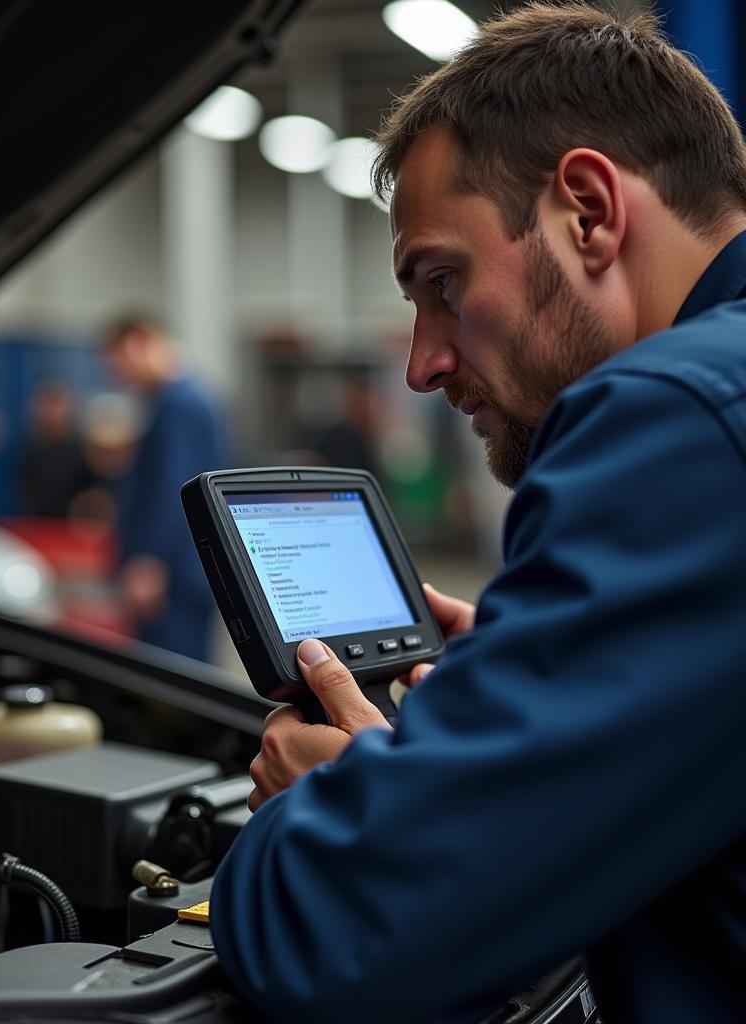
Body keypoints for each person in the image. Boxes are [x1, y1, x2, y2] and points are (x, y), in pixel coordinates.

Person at [209, 4, 746, 1022]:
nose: (421, 365)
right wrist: (524, 688)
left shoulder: (674, 417)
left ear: (587, 210)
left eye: (441, 283)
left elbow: (342, 928)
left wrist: (328, 804)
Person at [102, 315, 229, 661]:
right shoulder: (189, 400)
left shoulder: (178, 406)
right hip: (185, 573)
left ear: (143, 341)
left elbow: (175, 489)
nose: (120, 378)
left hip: (171, 578)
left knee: (172, 680)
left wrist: (149, 562)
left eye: (120, 364)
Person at [18, 380, 97, 517]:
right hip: (39, 528)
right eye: (46, 405)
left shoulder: (83, 451)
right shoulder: (31, 452)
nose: (51, 413)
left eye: (56, 405)